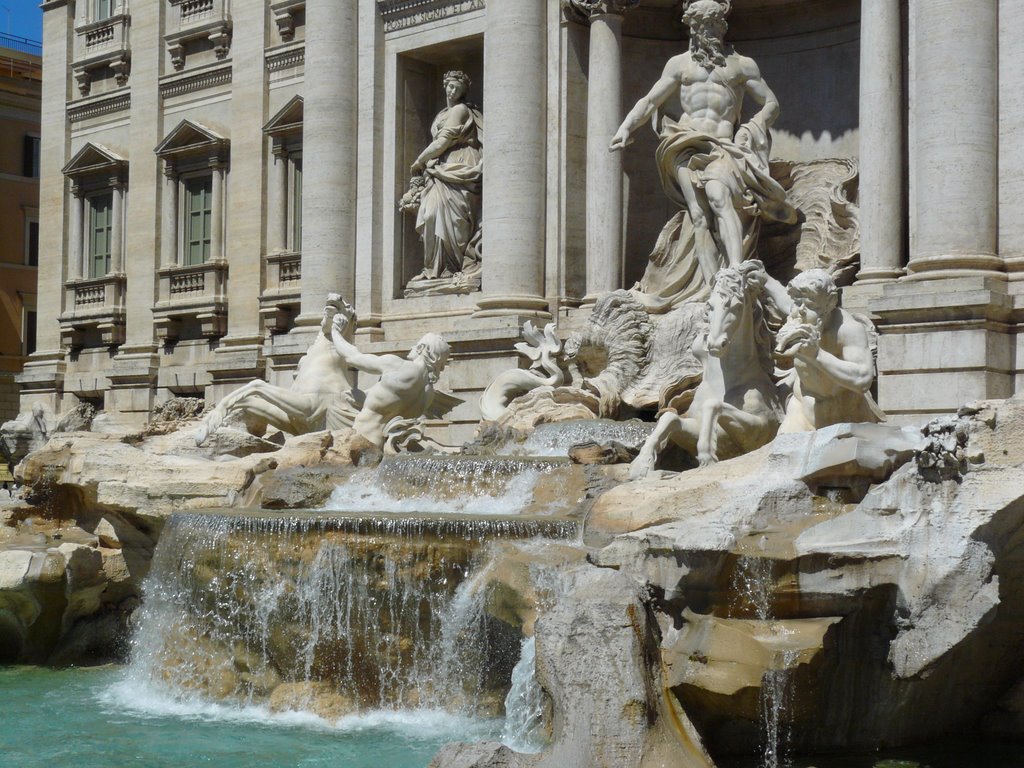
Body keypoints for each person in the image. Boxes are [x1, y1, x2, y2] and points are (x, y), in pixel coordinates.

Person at [609, 0, 796, 312]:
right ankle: (713, 290)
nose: (703, 32)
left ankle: (735, 273)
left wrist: (751, 129)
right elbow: (650, 99)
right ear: (690, 27)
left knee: (720, 198)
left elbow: (771, 103)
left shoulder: (741, 65)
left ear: (721, 26)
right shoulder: (679, 65)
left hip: (722, 145)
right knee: (698, 214)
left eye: (709, 25)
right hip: (684, 142)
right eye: (698, 26)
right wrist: (626, 127)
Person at [195, 295, 358, 445]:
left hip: (317, 409)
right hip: (301, 421)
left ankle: (222, 409)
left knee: (257, 385)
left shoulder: (341, 349)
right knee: (247, 402)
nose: (333, 299)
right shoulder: (312, 354)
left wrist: (338, 330)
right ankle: (214, 423)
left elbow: (308, 406)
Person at [768, 269, 883, 432]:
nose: (800, 310)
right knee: (784, 453)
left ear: (830, 302)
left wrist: (816, 355)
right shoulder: (799, 316)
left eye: (809, 304)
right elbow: (781, 297)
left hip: (847, 417)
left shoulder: (847, 330)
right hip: (801, 412)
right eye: (797, 302)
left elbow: (862, 379)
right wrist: (763, 277)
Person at [330, 311, 457, 449]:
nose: (412, 348)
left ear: (421, 348)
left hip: (358, 442)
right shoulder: (428, 394)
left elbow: (352, 357)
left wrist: (335, 331)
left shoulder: (400, 367)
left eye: (416, 345)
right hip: (381, 447)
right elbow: (388, 403)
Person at [405, 70, 483, 284]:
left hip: (459, 162)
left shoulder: (460, 110)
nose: (452, 91)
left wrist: (420, 160)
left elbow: (444, 141)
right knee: (430, 214)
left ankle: (453, 266)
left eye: (457, 88)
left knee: (455, 219)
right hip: (440, 168)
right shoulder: (440, 114)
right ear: (444, 86)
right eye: (450, 86)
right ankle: (433, 268)